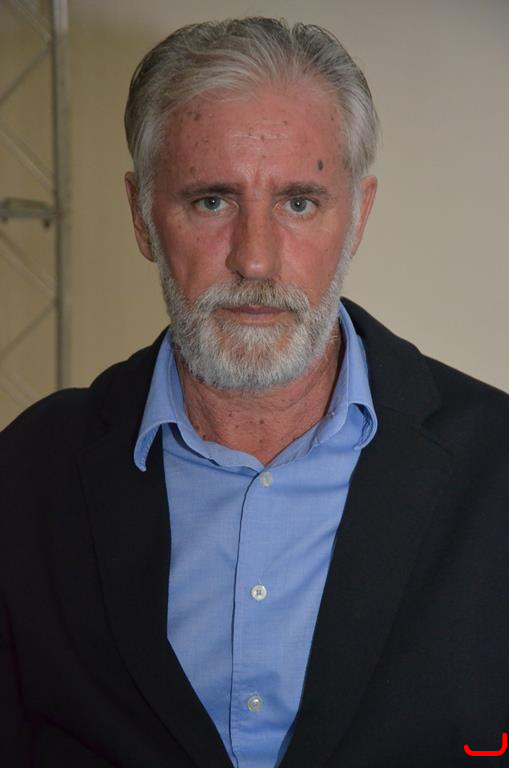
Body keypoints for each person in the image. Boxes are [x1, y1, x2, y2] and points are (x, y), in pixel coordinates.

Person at [1, 16, 508, 768]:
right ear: (141, 216)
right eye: (212, 201)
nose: (256, 259)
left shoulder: (496, 465)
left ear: (357, 217)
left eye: (299, 202)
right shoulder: (28, 470)